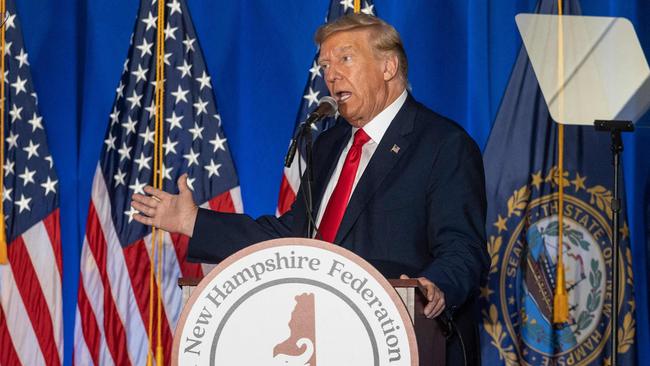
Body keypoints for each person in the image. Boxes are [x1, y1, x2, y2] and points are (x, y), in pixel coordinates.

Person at [132, 13, 488, 365]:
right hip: (328, 341)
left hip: (404, 340)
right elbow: (292, 237)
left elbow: (463, 248)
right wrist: (194, 222)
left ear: (388, 67)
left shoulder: (442, 144)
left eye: (345, 58)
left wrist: (434, 284)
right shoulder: (328, 144)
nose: (331, 75)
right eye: (325, 66)